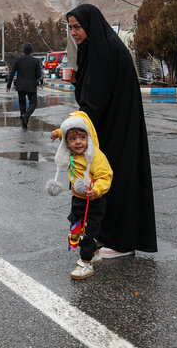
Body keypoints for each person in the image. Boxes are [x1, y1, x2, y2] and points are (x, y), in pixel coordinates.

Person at [62, 3, 157, 257]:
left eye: (78, 26)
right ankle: (109, 235)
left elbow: (96, 99)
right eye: (71, 27)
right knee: (106, 179)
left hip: (118, 128)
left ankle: (122, 242)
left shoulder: (105, 50)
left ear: (90, 25)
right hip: (110, 126)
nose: (74, 32)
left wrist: (73, 129)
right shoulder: (95, 47)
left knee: (116, 178)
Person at [47, 111, 112, 280]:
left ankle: (86, 263)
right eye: (73, 139)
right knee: (75, 226)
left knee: (85, 233)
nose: (78, 142)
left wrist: (96, 190)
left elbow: (105, 176)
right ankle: (95, 254)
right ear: (66, 143)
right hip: (77, 199)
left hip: (93, 201)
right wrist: (57, 133)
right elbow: (67, 129)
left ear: (88, 137)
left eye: (82, 138)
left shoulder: (95, 156)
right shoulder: (73, 153)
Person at [6, 42, 42, 129]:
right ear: (31, 51)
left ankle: (24, 124)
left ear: (24, 50)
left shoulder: (18, 60)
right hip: (31, 86)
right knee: (33, 103)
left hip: (20, 86)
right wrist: (34, 79)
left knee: (22, 105)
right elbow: (38, 74)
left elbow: (12, 72)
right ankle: (26, 116)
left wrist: (8, 85)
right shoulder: (35, 61)